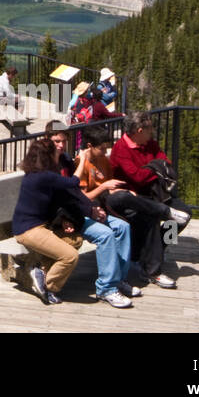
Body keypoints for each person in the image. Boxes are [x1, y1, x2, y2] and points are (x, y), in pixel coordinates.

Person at [47, 123, 136, 307]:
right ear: (47, 140)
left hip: (80, 210)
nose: (61, 145)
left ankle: (118, 278)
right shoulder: (46, 165)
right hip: (64, 216)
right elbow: (54, 199)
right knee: (105, 235)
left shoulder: (65, 161)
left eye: (64, 140)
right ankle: (106, 288)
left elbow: (76, 194)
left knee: (123, 226)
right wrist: (69, 217)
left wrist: (92, 208)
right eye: (56, 141)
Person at [12, 137, 104, 305]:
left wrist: (64, 220)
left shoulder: (34, 174)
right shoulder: (45, 176)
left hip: (37, 226)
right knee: (70, 257)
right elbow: (73, 182)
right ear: (48, 156)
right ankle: (49, 287)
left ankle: (41, 270)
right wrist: (83, 159)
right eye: (55, 152)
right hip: (29, 230)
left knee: (74, 240)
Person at [107, 111, 192, 289]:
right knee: (152, 217)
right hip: (133, 198)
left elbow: (165, 162)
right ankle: (152, 270)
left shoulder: (149, 144)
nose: (152, 132)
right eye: (149, 129)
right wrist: (155, 168)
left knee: (184, 215)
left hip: (155, 194)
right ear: (139, 130)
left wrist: (153, 168)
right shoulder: (121, 149)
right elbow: (137, 177)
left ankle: (157, 251)